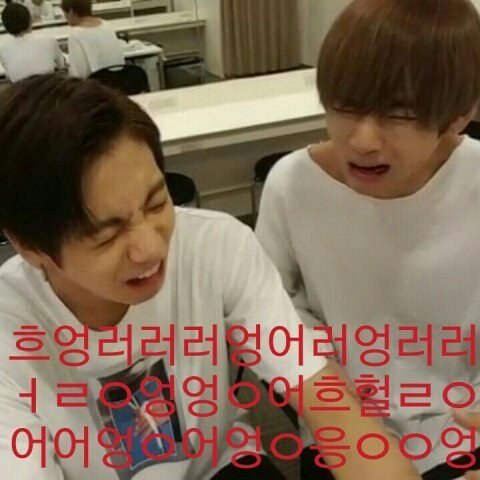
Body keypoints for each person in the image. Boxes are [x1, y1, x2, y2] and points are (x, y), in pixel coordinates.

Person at [0, 74, 420, 480]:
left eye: (155, 203)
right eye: (106, 235)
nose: (150, 247)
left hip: (221, 467)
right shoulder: (9, 327)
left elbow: (322, 397)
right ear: (30, 246)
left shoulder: (216, 247)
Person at [255, 0, 480, 478]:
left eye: (398, 114)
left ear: (460, 115)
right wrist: (328, 386)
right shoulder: (292, 186)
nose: (361, 140)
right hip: (344, 423)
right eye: (345, 107)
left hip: (463, 426)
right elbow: (267, 309)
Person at [0, 3, 64, 82]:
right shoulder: (49, 40)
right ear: (30, 20)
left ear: (6, 27)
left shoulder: (3, 50)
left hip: (21, 89)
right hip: (49, 87)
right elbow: (62, 65)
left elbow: (9, 75)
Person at [61, 0, 124, 78]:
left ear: (71, 11)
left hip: (95, 84)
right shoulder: (107, 25)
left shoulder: (75, 34)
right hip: (119, 80)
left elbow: (78, 74)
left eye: (64, 13)